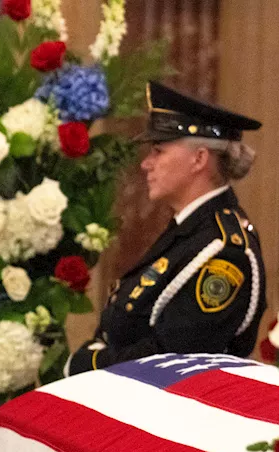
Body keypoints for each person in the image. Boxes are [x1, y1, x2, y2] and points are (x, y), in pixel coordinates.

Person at [66, 81, 267, 377]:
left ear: (198, 159)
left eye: (158, 151)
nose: (146, 164)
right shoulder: (190, 232)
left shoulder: (224, 250)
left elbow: (172, 361)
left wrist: (86, 364)